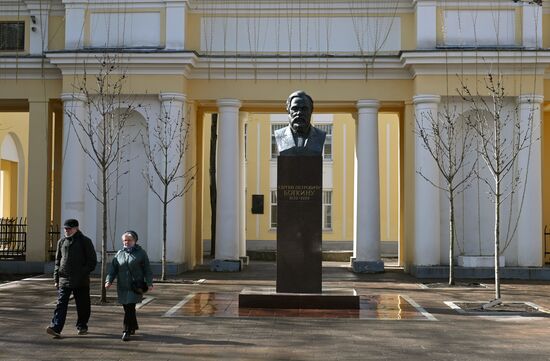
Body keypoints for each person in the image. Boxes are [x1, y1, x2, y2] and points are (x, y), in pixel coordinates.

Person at [47, 218, 97, 338]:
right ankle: (56, 327)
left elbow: (92, 262)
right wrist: (56, 278)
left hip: (81, 280)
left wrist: (81, 273)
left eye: (69, 229)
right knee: (61, 304)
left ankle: (82, 325)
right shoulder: (61, 242)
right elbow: (58, 261)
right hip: (64, 279)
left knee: (83, 305)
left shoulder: (85, 241)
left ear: (76, 228)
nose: (66, 231)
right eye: (65, 228)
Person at [105, 230, 153, 341]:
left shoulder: (141, 253)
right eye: (124, 240)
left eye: (129, 240)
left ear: (135, 241)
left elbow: (147, 269)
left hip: (135, 286)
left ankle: (126, 331)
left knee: (130, 307)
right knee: (127, 308)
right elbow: (113, 269)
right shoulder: (119, 253)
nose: (126, 242)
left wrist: (149, 283)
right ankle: (133, 326)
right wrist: (109, 281)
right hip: (122, 286)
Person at [274, 90, 326, 156]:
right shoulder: (279, 135)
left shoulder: (320, 136)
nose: (299, 113)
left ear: (311, 111)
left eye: (304, 109)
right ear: (288, 111)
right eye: (295, 108)